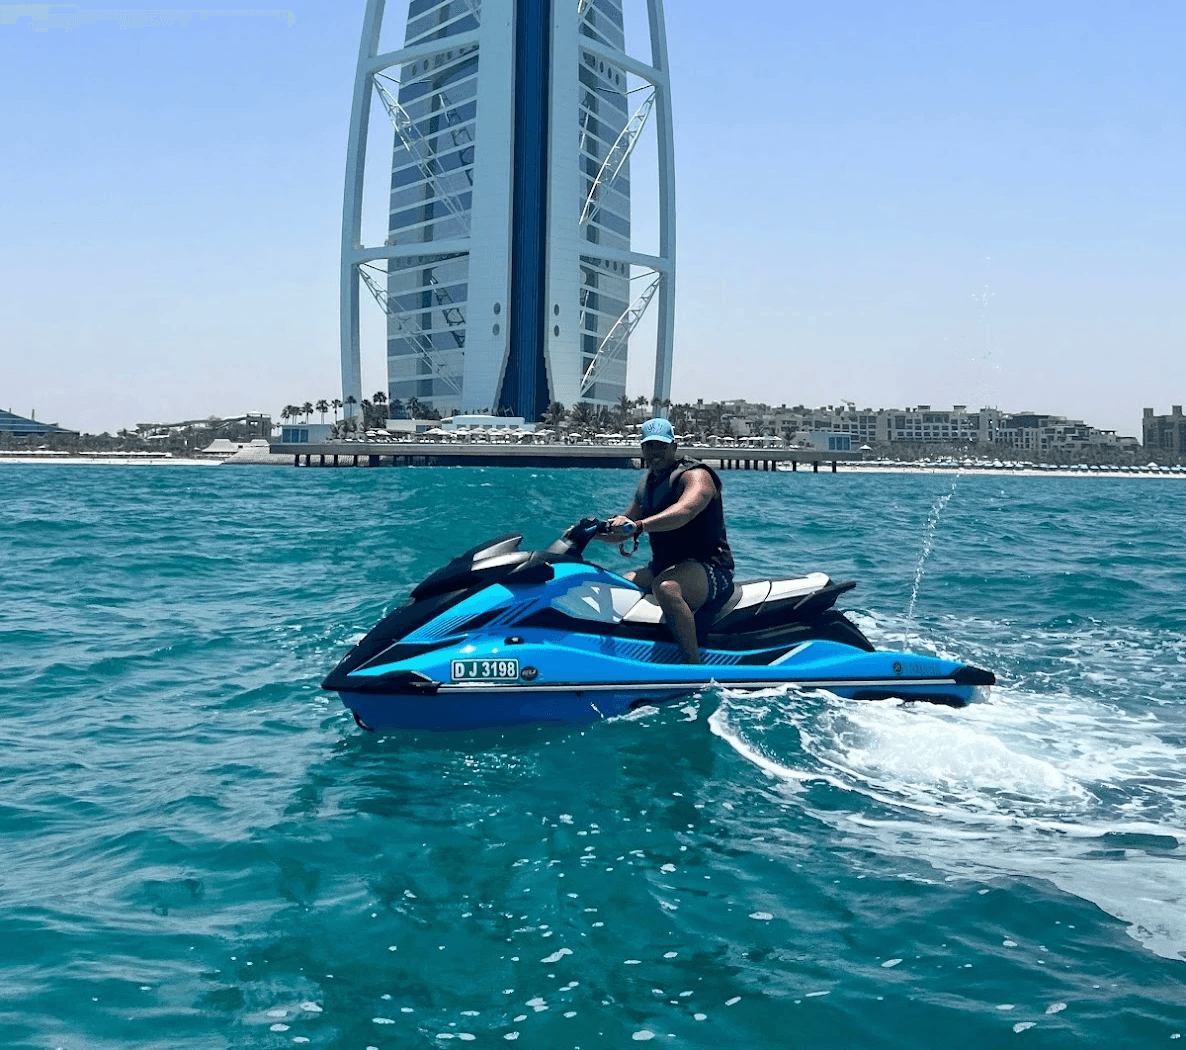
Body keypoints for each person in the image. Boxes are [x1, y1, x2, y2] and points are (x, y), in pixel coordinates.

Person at [603, 418, 734, 663]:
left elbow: (684, 511)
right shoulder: (649, 483)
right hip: (667, 565)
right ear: (642, 449)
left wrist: (640, 526)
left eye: (661, 446)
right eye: (649, 446)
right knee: (619, 583)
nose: (655, 452)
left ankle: (693, 669)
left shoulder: (696, 476)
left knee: (667, 589)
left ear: (674, 447)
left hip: (711, 567)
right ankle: (625, 655)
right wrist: (589, 533)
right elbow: (625, 527)